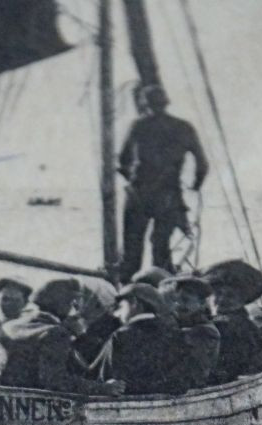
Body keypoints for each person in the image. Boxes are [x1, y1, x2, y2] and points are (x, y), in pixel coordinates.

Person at [117, 84, 208, 281]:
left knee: (132, 252)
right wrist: (195, 186)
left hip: (138, 194)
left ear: (145, 104)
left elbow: (123, 161)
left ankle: (126, 293)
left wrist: (133, 179)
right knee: (161, 249)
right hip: (168, 196)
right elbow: (202, 164)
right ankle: (163, 292)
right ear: (166, 103)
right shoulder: (184, 127)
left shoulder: (138, 126)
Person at [0, 278, 126, 396]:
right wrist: (103, 388)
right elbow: (55, 381)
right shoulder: (55, 333)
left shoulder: (10, 326)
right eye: (74, 300)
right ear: (65, 303)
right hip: (31, 409)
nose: (76, 307)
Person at [92, 283, 186, 396]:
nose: (117, 314)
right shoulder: (174, 333)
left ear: (135, 303)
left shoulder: (121, 335)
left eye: (121, 307)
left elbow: (103, 379)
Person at [204, 259, 262, 380]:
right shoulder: (216, 319)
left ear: (243, 299)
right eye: (218, 294)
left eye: (230, 296)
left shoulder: (240, 325)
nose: (222, 300)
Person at [162, 275, 220, 389]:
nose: (178, 305)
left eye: (185, 300)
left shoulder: (206, 331)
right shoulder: (182, 323)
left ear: (202, 304)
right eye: (175, 300)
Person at [72, 277, 122, 369]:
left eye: (81, 297)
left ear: (98, 303)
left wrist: (81, 337)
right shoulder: (78, 322)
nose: (74, 302)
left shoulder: (113, 327)